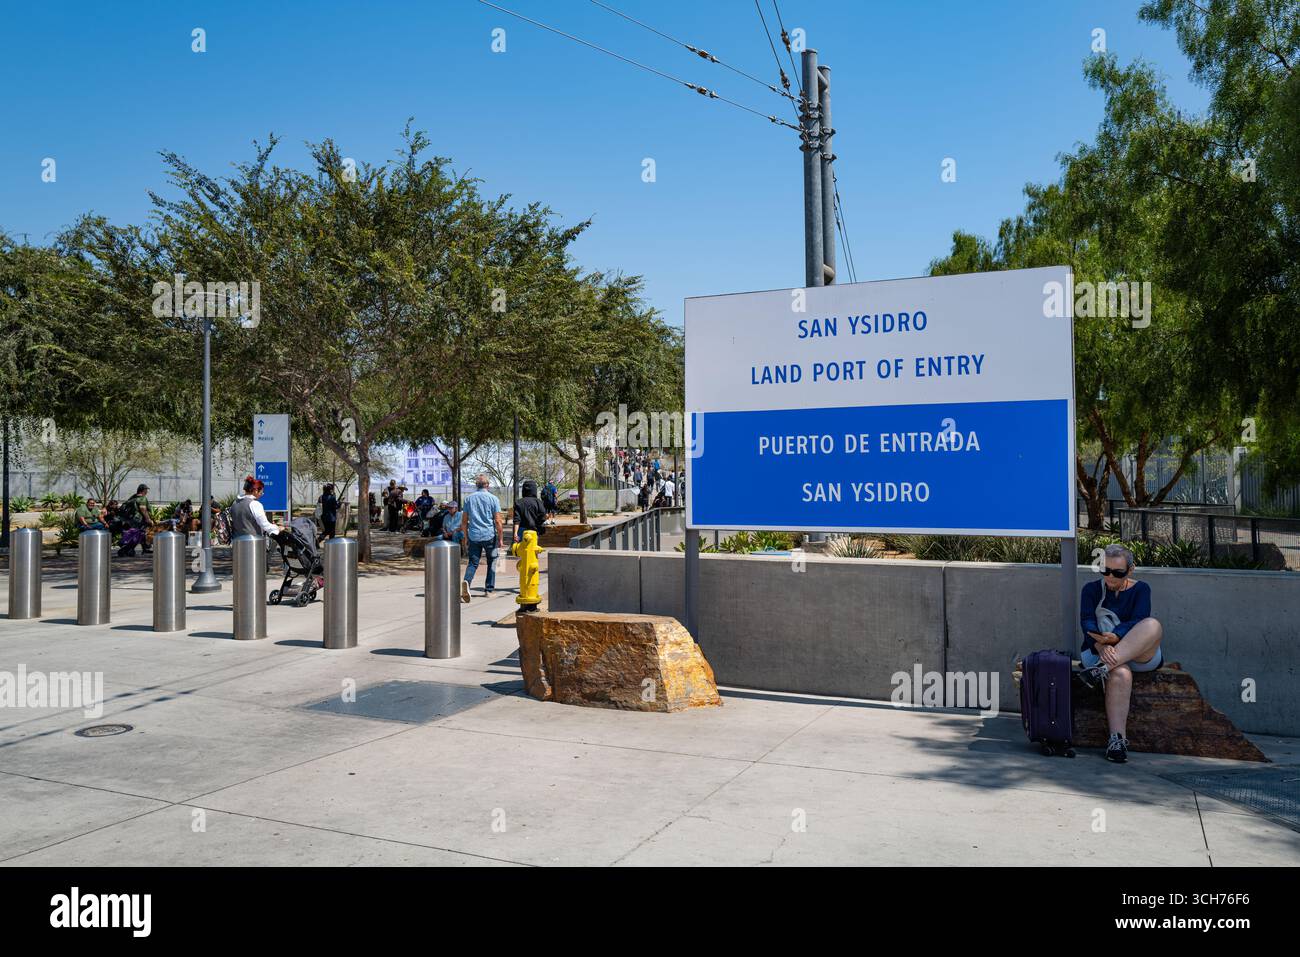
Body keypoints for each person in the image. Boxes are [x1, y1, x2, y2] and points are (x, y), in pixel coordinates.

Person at [1077, 544, 1164, 764]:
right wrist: (1101, 647)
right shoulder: (1091, 590)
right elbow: (1087, 622)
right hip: (1098, 652)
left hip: (1135, 653)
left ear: (1130, 570)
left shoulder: (1141, 589)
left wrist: (1115, 639)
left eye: (1118, 572)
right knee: (1121, 673)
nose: (1110, 577)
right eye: (1105, 570)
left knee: (1152, 625)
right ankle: (1117, 741)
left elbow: (1138, 619)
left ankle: (1101, 670)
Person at [459, 474, 503, 602]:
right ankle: (489, 590)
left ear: (476, 485)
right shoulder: (493, 499)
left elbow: (464, 521)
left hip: (474, 535)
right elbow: (498, 521)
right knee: (492, 562)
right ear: (487, 485)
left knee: (473, 562)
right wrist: (500, 538)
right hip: (489, 535)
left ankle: (467, 582)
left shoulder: (468, 499)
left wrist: (465, 537)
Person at [123, 484, 153, 552]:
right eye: (146, 490)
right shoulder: (142, 498)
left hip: (131, 519)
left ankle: (145, 548)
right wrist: (148, 519)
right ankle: (129, 549)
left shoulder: (133, 497)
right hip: (138, 519)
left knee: (140, 532)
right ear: (143, 490)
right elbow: (143, 509)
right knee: (139, 533)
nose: (147, 491)